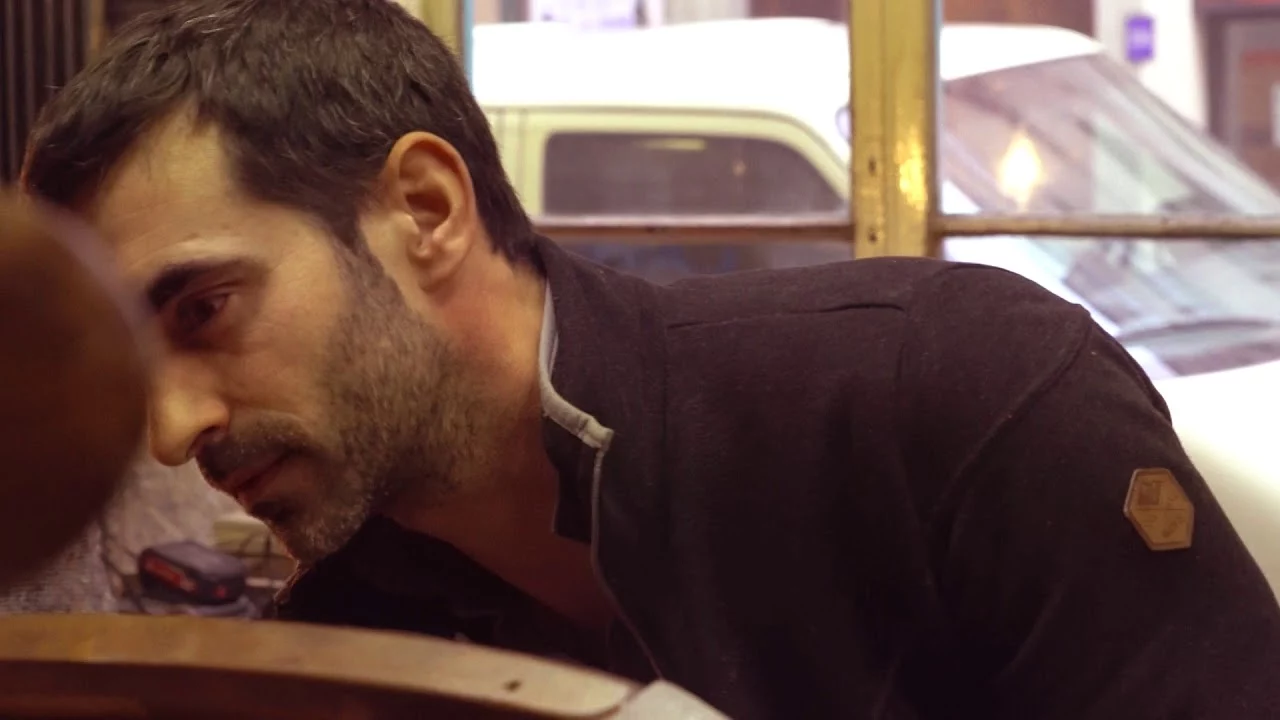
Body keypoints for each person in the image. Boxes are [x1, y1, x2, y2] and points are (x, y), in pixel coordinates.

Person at [20, 1, 1280, 717]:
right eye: (131, 356)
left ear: (424, 209)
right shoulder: (354, 639)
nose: (171, 432)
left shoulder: (944, 395)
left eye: (204, 309)